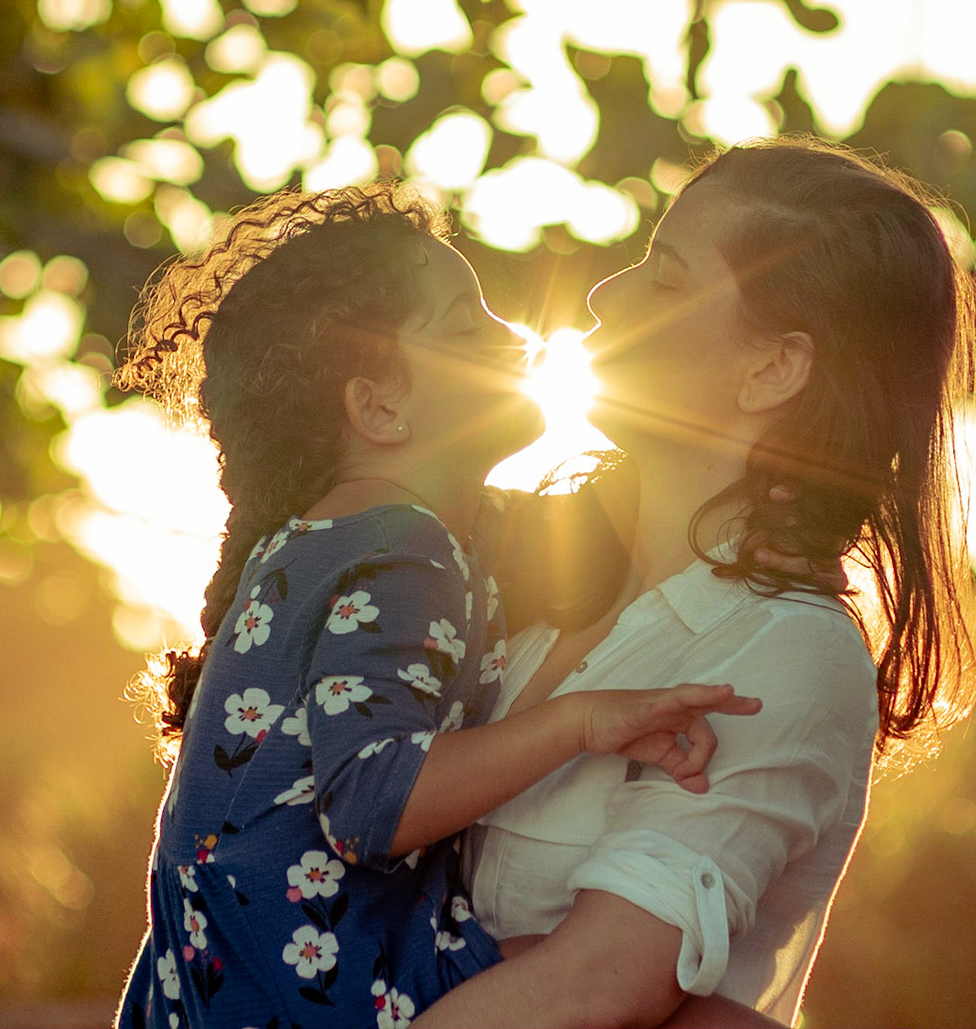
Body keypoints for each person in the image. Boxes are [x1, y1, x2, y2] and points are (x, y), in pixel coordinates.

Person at [110, 184, 763, 1029]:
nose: (517, 335)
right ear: (379, 406)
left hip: (240, 986)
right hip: (312, 985)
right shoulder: (398, 550)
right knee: (683, 1004)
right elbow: (371, 803)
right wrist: (582, 721)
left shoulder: (373, 535)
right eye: (466, 327)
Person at [418, 136, 976, 1028]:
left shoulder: (784, 652)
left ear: (772, 369)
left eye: (666, 276)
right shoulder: (517, 569)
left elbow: (596, 986)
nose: (606, 294)